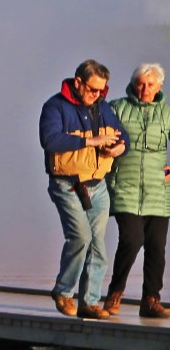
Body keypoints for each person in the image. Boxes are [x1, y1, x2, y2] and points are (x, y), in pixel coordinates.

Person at [40, 60, 128, 318]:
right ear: (78, 82)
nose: (97, 95)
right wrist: (91, 140)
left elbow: (123, 135)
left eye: (102, 90)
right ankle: (63, 291)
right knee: (81, 237)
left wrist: (119, 146)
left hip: (98, 185)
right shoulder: (54, 106)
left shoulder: (102, 107)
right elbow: (50, 140)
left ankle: (89, 303)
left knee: (98, 246)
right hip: (66, 184)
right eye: (92, 89)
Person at [107, 63, 169, 319]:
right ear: (133, 84)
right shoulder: (116, 108)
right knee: (132, 240)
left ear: (160, 87)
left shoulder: (167, 113)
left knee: (156, 247)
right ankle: (115, 293)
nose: (144, 89)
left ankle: (151, 300)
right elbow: (103, 137)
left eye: (150, 85)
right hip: (125, 185)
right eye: (140, 84)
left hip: (158, 190)